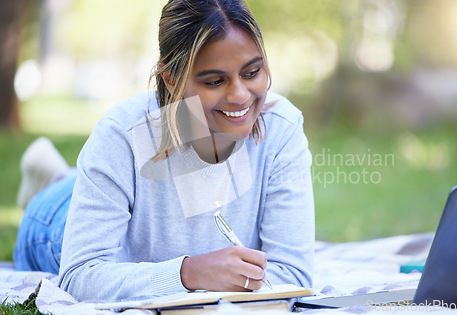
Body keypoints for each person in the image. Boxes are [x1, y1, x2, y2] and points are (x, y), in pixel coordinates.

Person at [14, 0, 314, 302]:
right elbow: (79, 274)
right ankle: (51, 183)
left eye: (251, 73)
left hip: (123, 202)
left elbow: (292, 274)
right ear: (171, 78)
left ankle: (63, 175)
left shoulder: (281, 127)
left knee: (87, 184)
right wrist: (189, 273)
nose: (239, 95)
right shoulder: (122, 134)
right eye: (215, 81)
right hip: (54, 223)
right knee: (64, 201)